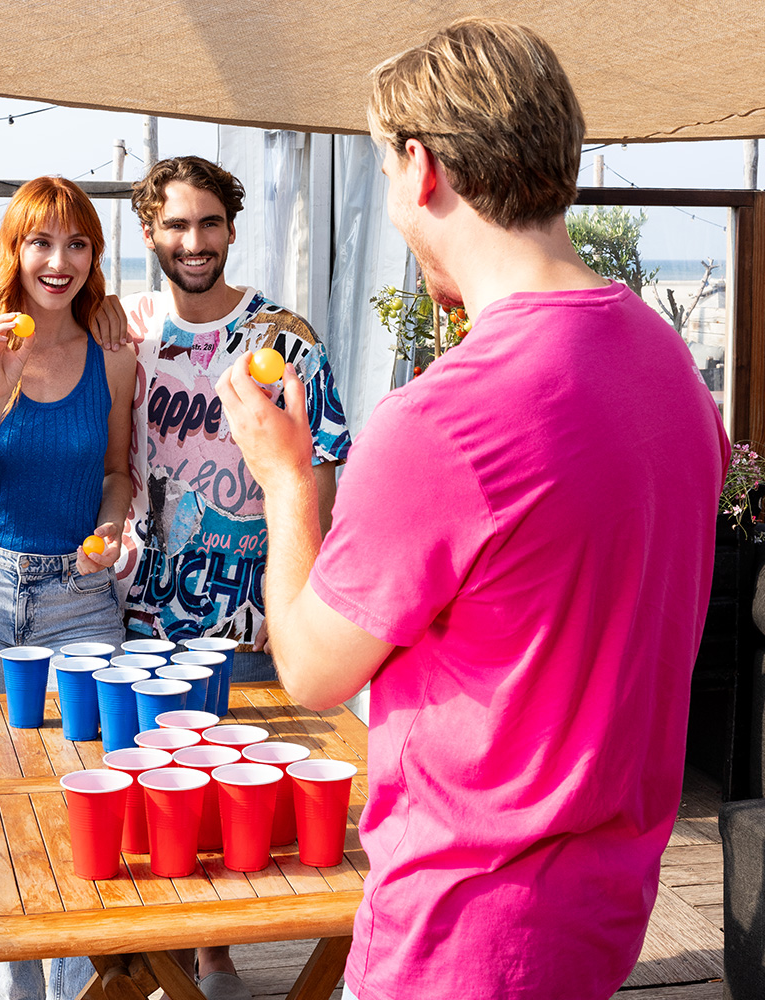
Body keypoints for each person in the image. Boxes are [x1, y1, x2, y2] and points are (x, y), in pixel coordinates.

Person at [215, 18, 729, 1000]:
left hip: (460, 934)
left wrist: (285, 482)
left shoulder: (443, 421)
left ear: (419, 169)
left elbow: (317, 668)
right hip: (599, 915)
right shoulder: (671, 373)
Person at [101, 155, 352, 999]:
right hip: (146, 619)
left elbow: (323, 468)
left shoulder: (287, 337)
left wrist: (304, 594)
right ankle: (187, 955)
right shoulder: (126, 328)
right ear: (150, 234)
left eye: (210, 223)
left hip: (253, 612)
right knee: (169, 802)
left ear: (232, 230)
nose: (194, 241)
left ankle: (223, 951)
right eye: (176, 225)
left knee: (246, 800)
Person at [0, 175, 136, 1000]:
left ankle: (79, 983)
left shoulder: (113, 354)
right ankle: (12, 986)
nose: (60, 261)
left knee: (85, 791)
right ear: (13, 250)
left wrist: (113, 526)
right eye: (41, 242)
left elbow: (117, 475)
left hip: (80, 599)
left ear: (94, 255)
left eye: (78, 243)